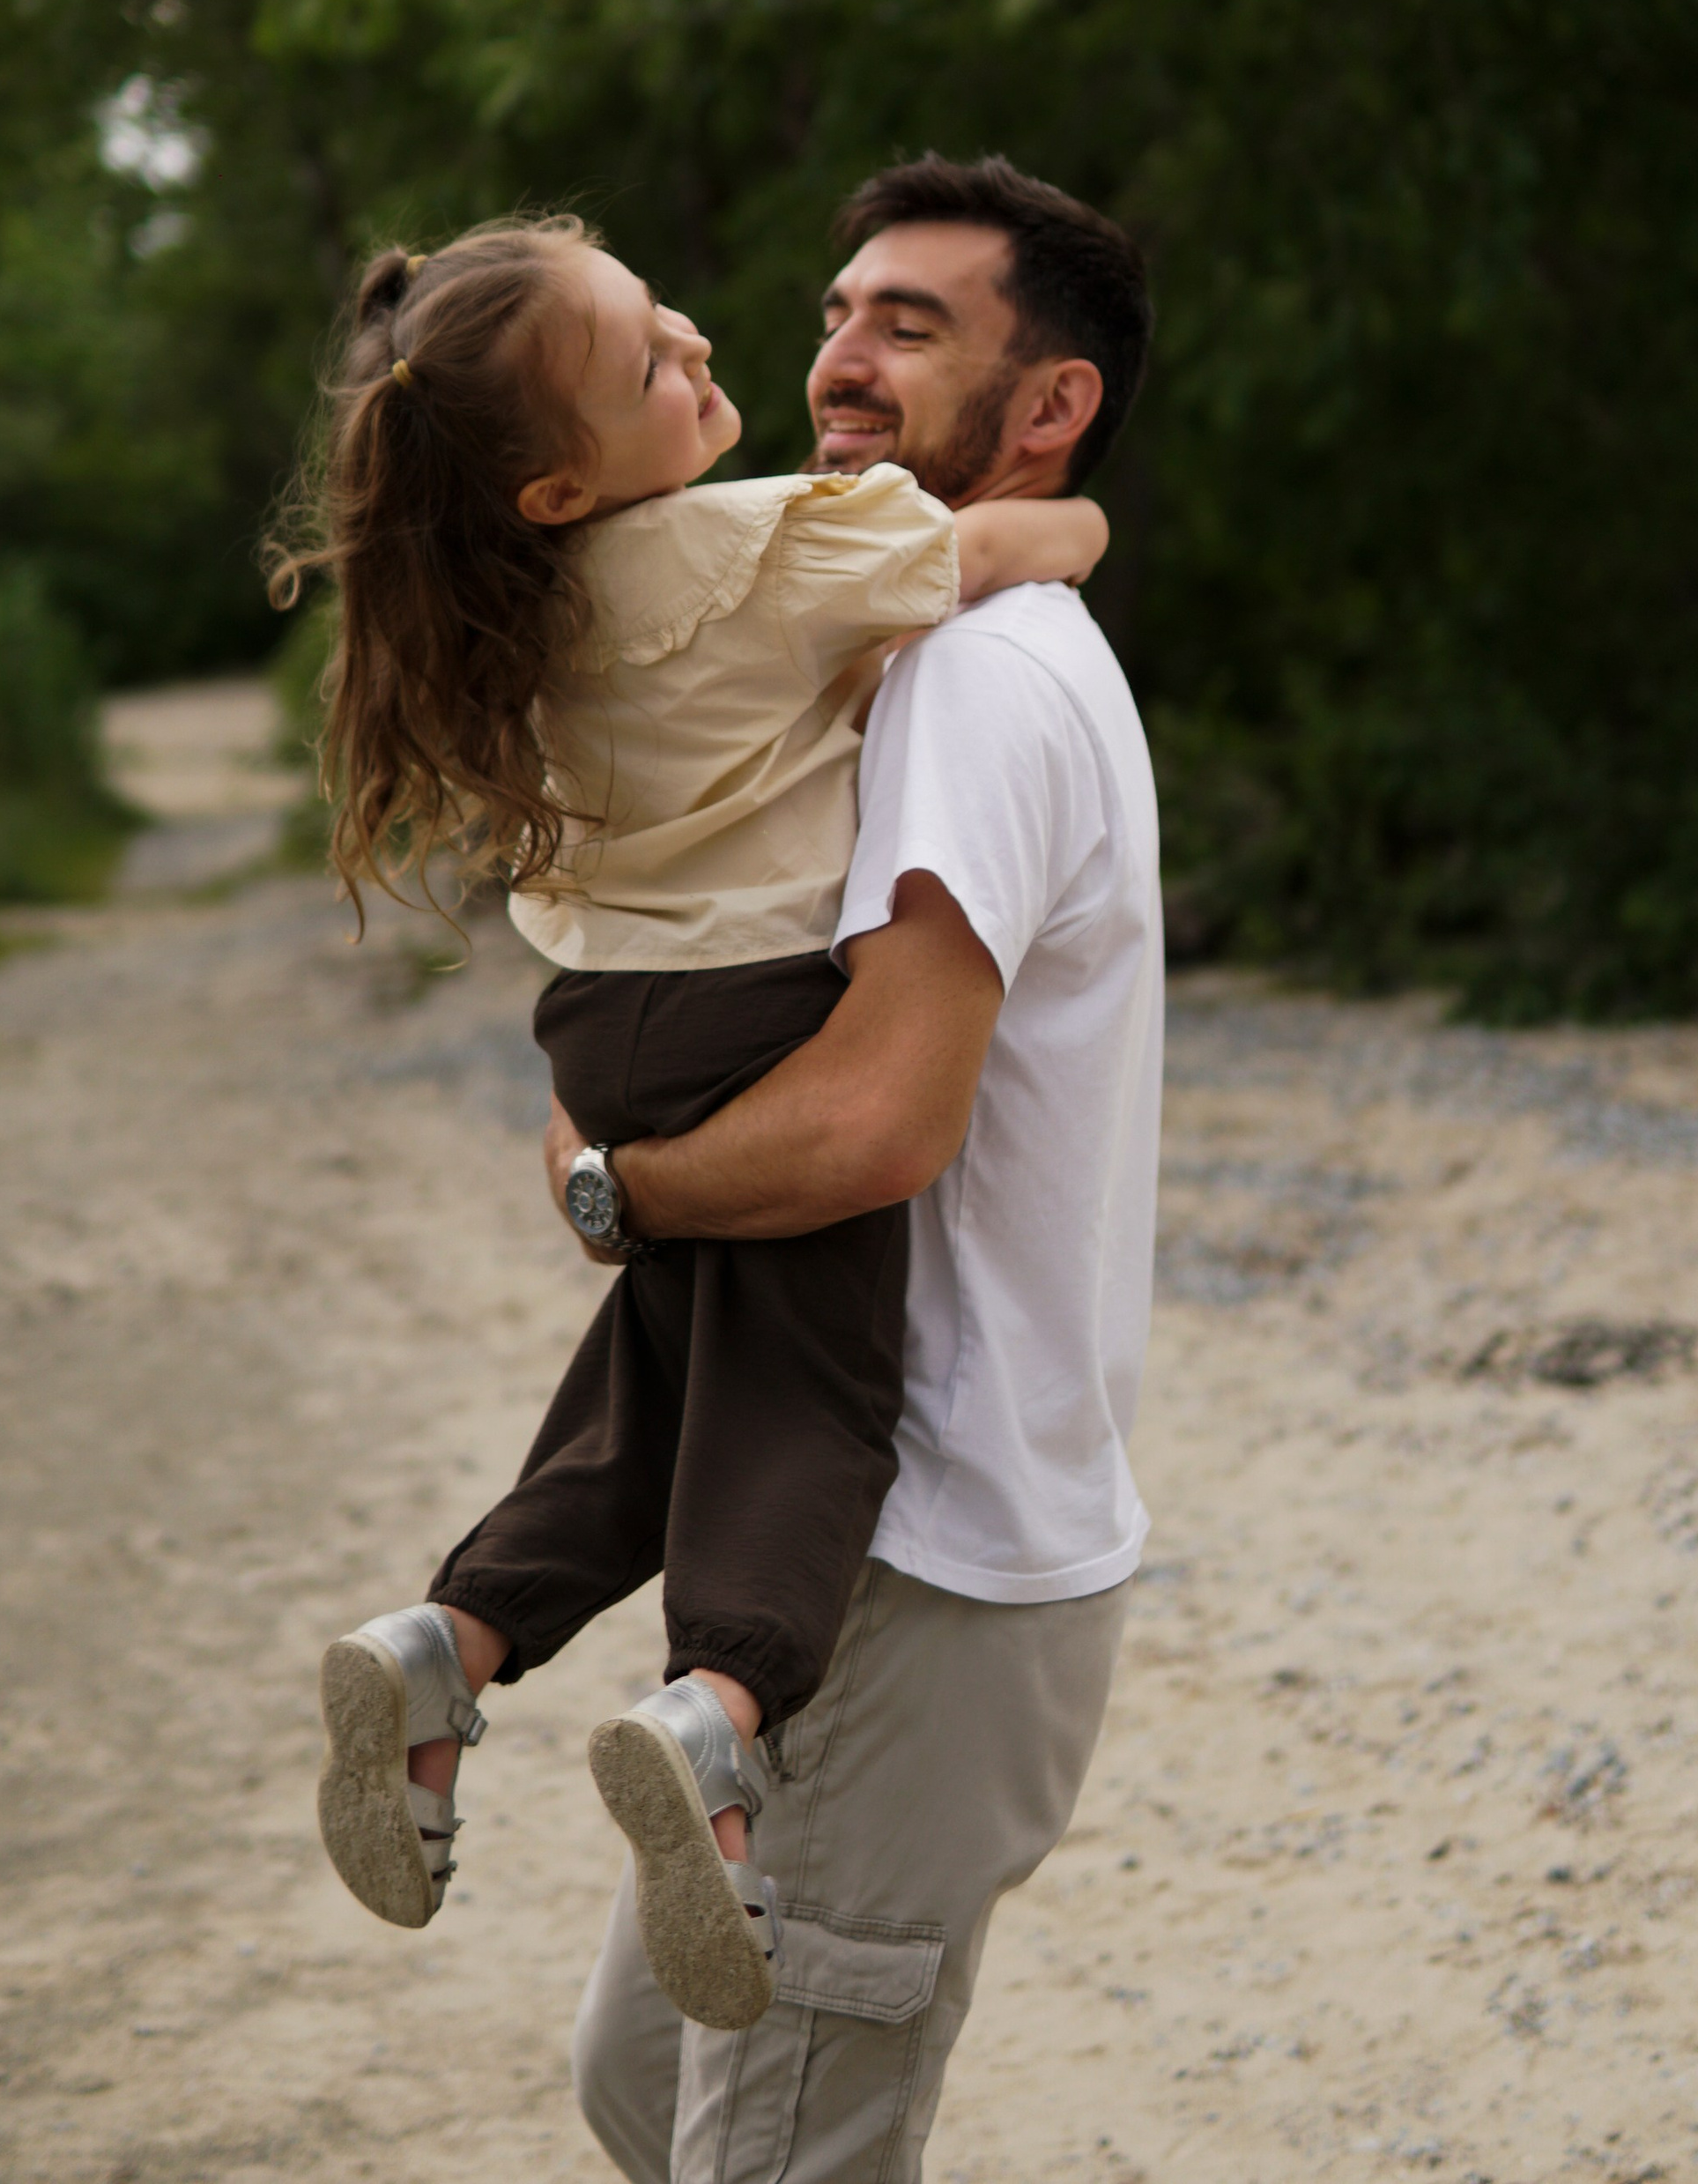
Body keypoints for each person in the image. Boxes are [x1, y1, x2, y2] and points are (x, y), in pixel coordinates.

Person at [275, 212, 1107, 2028]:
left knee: (657, 1384)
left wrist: (610, 1181)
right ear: (563, 478)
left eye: (670, 319)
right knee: (805, 1399)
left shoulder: (530, 588)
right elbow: (993, 547)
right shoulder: (772, 545)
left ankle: (453, 1640)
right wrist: (1082, 528)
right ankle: (718, 1710)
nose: (716, 353)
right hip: (751, 1021)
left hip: (605, 1031)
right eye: (657, 361)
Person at [547, 153, 1165, 2184]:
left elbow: (880, 1119)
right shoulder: (897, 622)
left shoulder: (978, 677)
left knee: (776, 2146)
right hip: (831, 1525)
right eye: (834, 315)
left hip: (930, 1545)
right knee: (647, 2086)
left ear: (1050, 398)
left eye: (909, 326)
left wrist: (612, 1188)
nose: (839, 359)